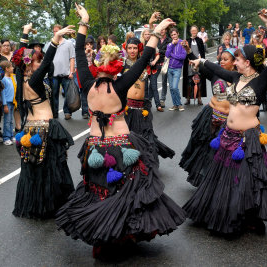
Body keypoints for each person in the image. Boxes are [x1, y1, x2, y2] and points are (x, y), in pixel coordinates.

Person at [56, 5, 185, 259]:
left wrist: (84, 21)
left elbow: (80, 53)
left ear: (97, 66)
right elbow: (146, 56)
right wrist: (156, 32)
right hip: (122, 145)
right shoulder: (121, 84)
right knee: (125, 190)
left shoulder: (88, 82)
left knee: (99, 191)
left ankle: (107, 237)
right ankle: (121, 234)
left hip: (96, 147)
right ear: (116, 66)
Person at [183, 9, 267, 238]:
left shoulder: (261, 81)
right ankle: (221, 210)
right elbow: (215, 69)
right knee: (223, 178)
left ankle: (250, 216)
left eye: (238, 59)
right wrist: (200, 60)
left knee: (247, 179)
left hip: (248, 139)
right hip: (227, 135)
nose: (234, 62)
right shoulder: (235, 78)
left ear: (248, 61)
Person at [12, 23, 75, 219]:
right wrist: (55, 40)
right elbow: (48, 61)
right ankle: (52, 206)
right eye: (36, 61)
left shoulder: (21, 77)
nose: (40, 64)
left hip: (29, 129)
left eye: (39, 61)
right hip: (44, 128)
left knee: (33, 168)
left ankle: (35, 204)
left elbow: (19, 60)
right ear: (30, 64)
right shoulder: (34, 80)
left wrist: (24, 33)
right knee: (51, 168)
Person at [180, 44, 235, 187]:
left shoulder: (239, 78)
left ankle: (219, 180)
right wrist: (189, 52)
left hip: (227, 120)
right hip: (211, 115)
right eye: (221, 58)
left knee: (222, 152)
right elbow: (199, 65)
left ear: (234, 62)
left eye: (226, 59)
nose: (222, 61)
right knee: (205, 148)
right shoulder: (216, 73)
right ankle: (203, 179)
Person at [123, 37, 175, 165]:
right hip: (127, 107)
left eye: (135, 48)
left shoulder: (142, 63)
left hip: (142, 107)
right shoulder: (121, 65)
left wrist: (152, 26)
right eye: (130, 48)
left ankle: (145, 164)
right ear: (126, 49)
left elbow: (150, 45)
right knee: (126, 137)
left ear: (138, 49)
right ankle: (129, 163)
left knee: (145, 136)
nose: (132, 50)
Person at [51, 24, 75, 120]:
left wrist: (71, 72)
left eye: (57, 30)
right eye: (54, 31)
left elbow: (72, 58)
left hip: (66, 73)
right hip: (54, 74)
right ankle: (54, 112)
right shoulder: (51, 43)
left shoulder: (68, 43)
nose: (56, 32)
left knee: (68, 94)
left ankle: (67, 112)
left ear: (62, 31)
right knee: (54, 94)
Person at [183, 25, 206, 105]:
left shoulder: (200, 41)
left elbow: (202, 52)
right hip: (189, 63)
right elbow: (185, 52)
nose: (193, 32)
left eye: (195, 30)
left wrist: (199, 60)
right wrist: (189, 60)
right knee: (189, 81)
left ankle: (199, 98)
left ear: (197, 31)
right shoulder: (187, 41)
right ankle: (188, 98)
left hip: (198, 62)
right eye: (192, 31)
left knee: (199, 81)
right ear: (190, 31)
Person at [166, 28, 187, 111]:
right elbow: (167, 55)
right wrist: (171, 45)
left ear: (178, 34)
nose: (173, 36)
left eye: (175, 34)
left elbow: (183, 57)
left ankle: (179, 104)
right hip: (169, 68)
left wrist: (173, 55)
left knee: (174, 87)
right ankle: (175, 105)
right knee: (171, 88)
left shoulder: (182, 43)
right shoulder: (170, 44)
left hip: (177, 69)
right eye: (172, 35)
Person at [0, 61, 17, 145]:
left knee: (10, 120)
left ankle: (10, 135)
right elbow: (2, 93)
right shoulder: (3, 79)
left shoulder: (12, 77)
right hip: (7, 103)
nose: (13, 68)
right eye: (11, 67)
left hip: (12, 102)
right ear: (7, 69)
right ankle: (6, 138)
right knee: (7, 121)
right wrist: (5, 104)